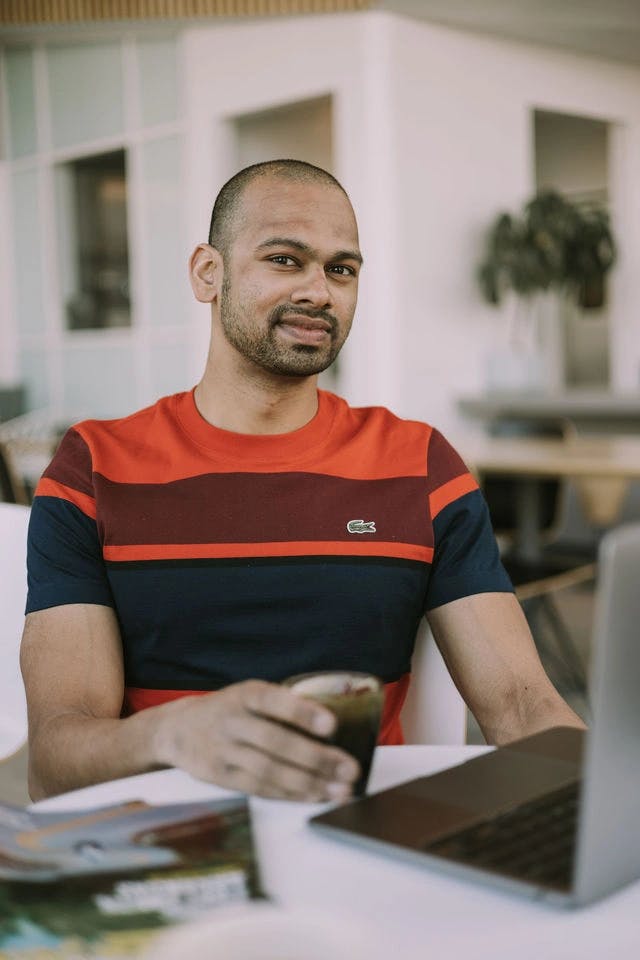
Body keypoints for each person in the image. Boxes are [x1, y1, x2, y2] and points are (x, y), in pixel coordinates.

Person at [21, 160, 584, 803]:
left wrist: (610, 808)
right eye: (286, 259)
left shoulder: (419, 464)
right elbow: (56, 760)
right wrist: (168, 734)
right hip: (163, 836)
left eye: (341, 269)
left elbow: (521, 707)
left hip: (361, 829)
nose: (320, 291)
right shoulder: (94, 468)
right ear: (208, 273)